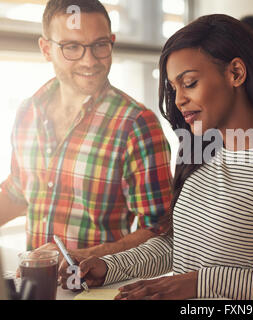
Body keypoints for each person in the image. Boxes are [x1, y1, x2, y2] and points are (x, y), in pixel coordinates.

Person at [61, 14, 253, 300]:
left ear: (235, 73)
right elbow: (179, 244)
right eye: (173, 88)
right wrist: (110, 267)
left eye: (190, 83)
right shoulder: (200, 148)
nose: (178, 99)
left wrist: (202, 283)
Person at [0, 0, 173, 264]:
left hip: (97, 289)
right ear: (46, 49)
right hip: (35, 286)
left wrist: (82, 257)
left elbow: (162, 231)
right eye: (72, 47)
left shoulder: (137, 125)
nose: (89, 60)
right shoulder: (28, 111)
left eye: (100, 45)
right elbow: (18, 192)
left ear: (111, 42)